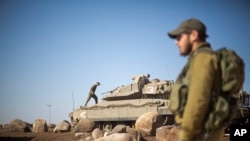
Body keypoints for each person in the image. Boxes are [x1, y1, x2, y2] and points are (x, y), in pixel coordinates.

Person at [167, 18, 224, 141]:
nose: (176, 42)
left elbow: (198, 101)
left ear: (193, 35)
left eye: (179, 37)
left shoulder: (202, 59)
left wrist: (186, 136)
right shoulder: (202, 58)